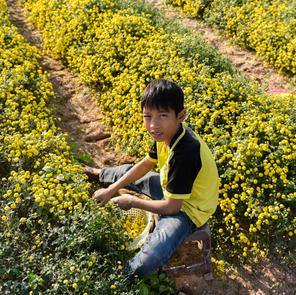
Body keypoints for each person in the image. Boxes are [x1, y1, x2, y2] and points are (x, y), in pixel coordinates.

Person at [84, 79, 219, 281]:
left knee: (154, 252)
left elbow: (173, 208)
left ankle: (119, 278)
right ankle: (99, 175)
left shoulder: (184, 154)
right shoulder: (165, 134)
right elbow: (146, 165)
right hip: (170, 187)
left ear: (181, 116)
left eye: (162, 116)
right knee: (129, 171)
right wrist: (112, 189)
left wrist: (133, 202)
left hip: (189, 209)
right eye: (148, 116)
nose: (153, 125)